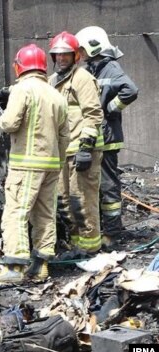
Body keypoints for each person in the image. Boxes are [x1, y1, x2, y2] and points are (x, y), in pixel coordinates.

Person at [0, 44, 69, 283]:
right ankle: (40, 266)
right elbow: (65, 135)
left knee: (16, 213)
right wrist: (59, 162)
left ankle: (14, 266)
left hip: (26, 164)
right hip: (52, 164)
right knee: (45, 214)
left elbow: (10, 124)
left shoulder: (23, 89)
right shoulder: (56, 94)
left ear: (19, 66)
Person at [75, 26, 139, 247]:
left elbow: (130, 90)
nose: (79, 55)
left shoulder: (110, 68)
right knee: (98, 184)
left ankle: (112, 233)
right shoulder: (94, 69)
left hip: (108, 139)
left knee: (108, 185)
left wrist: (110, 109)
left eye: (81, 50)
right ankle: (105, 228)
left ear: (93, 48)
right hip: (97, 136)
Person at [48, 31, 104, 254]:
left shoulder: (82, 79)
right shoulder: (53, 81)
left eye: (66, 55)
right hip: (62, 153)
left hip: (82, 152)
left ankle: (90, 249)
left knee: (82, 201)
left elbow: (93, 114)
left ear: (75, 56)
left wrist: (85, 148)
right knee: (64, 201)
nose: (61, 59)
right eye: (57, 55)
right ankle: (75, 245)